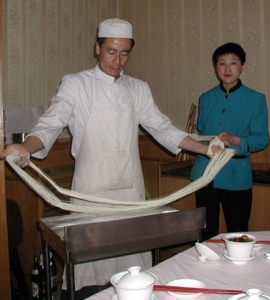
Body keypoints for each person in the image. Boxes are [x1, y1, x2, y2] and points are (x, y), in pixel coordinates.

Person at [1, 18, 223, 298]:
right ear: (97, 48)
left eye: (125, 53)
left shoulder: (138, 88)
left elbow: (163, 128)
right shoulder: (75, 84)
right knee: (91, 273)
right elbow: (48, 126)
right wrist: (26, 148)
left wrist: (205, 149)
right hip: (91, 194)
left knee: (133, 272)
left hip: (130, 194)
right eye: (111, 51)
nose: (118, 60)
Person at [190, 42, 270, 242]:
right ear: (215, 67)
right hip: (205, 174)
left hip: (236, 175)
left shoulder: (256, 99)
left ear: (242, 67)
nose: (227, 68)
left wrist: (235, 140)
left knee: (238, 230)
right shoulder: (206, 98)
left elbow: (262, 139)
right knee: (206, 231)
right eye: (221, 63)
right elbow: (202, 130)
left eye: (233, 63)